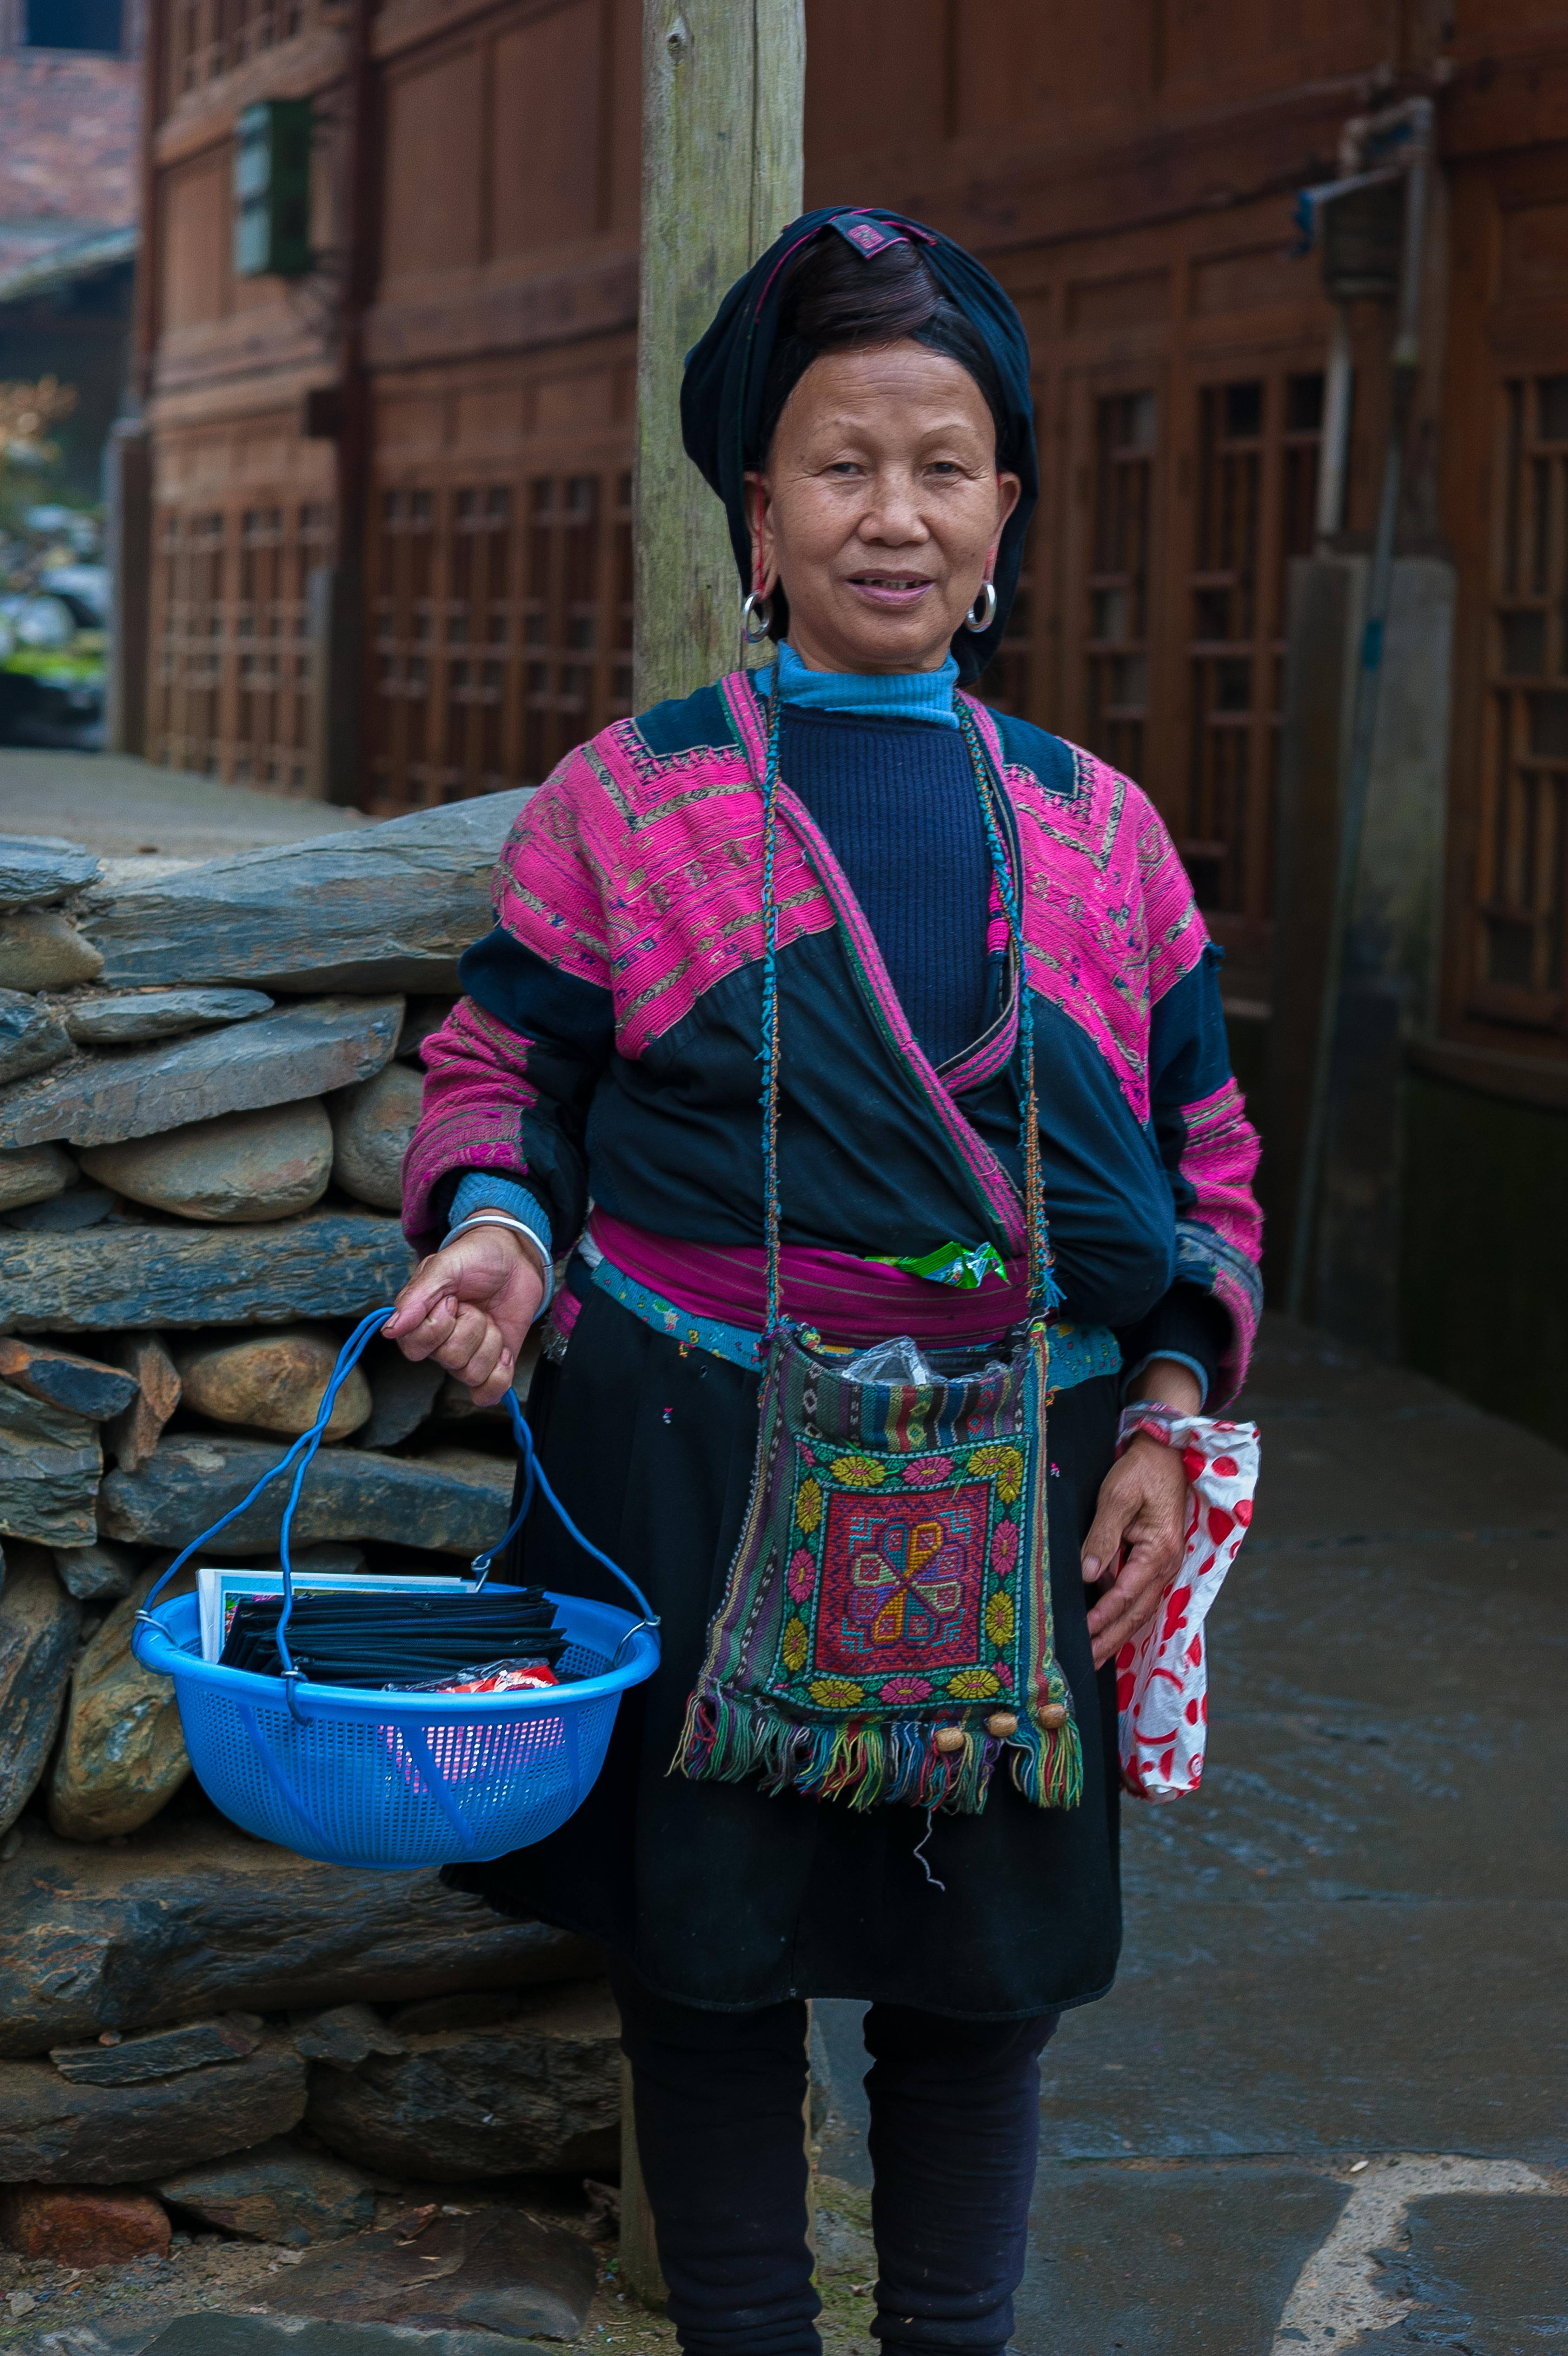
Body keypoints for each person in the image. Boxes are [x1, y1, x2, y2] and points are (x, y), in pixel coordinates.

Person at [387, 207, 1262, 2356]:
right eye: (841, 466)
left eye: (941, 465)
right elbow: (507, 1067)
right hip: (694, 1445)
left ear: (1004, 514)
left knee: (980, 1994)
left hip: (1036, 1464)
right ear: (755, 513)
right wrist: (496, 1231)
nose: (895, 513)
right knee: (709, 1971)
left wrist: (1163, 1411)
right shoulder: (633, 804)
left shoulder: (1099, 830)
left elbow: (1208, 1166)